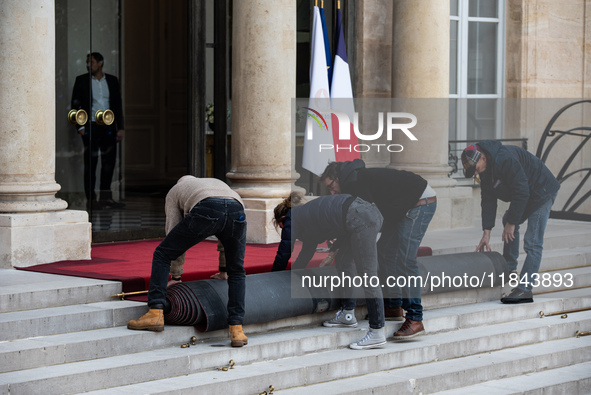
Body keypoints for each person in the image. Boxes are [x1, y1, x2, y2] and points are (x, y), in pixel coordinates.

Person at [320, 160, 437, 340]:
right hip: (399, 208)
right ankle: (393, 305)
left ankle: (415, 318)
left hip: (419, 203)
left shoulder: (353, 182)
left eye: (331, 186)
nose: (332, 191)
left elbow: (363, 219)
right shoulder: (354, 179)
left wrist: (337, 248)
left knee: (406, 259)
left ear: (337, 178)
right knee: (384, 251)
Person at [127, 176, 248, 347]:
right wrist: (223, 270)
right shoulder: (217, 184)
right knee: (236, 270)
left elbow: (173, 230)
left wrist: (176, 277)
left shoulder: (175, 191)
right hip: (237, 208)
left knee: (162, 253)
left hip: (207, 207)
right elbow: (225, 240)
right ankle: (237, 329)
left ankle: (155, 312)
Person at [272, 192, 387, 350]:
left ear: (281, 219)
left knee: (368, 275)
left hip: (359, 218)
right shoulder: (306, 216)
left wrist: (273, 275)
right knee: (343, 260)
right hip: (362, 214)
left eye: (280, 227)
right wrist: (293, 272)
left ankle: (377, 332)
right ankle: (348, 314)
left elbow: (285, 251)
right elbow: (307, 251)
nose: (283, 229)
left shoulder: (291, 218)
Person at [461, 141, 560, 304]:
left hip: (542, 191)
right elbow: (488, 200)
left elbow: (521, 191)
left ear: (483, 158)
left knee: (533, 242)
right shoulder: (486, 170)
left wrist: (512, 223)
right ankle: (510, 267)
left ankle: (525, 289)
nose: (475, 172)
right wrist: (487, 232)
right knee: (508, 219)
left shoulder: (504, 159)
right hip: (528, 193)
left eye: (475, 168)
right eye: (472, 171)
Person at [71, 52, 125, 209]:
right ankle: (91, 200)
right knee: (91, 165)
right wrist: (80, 127)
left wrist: (120, 127)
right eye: (87, 62)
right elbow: (75, 106)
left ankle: (106, 199)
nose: (88, 65)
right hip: (91, 127)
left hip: (109, 127)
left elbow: (117, 106)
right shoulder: (81, 81)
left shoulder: (112, 81)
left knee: (108, 165)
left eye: (92, 62)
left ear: (100, 63)